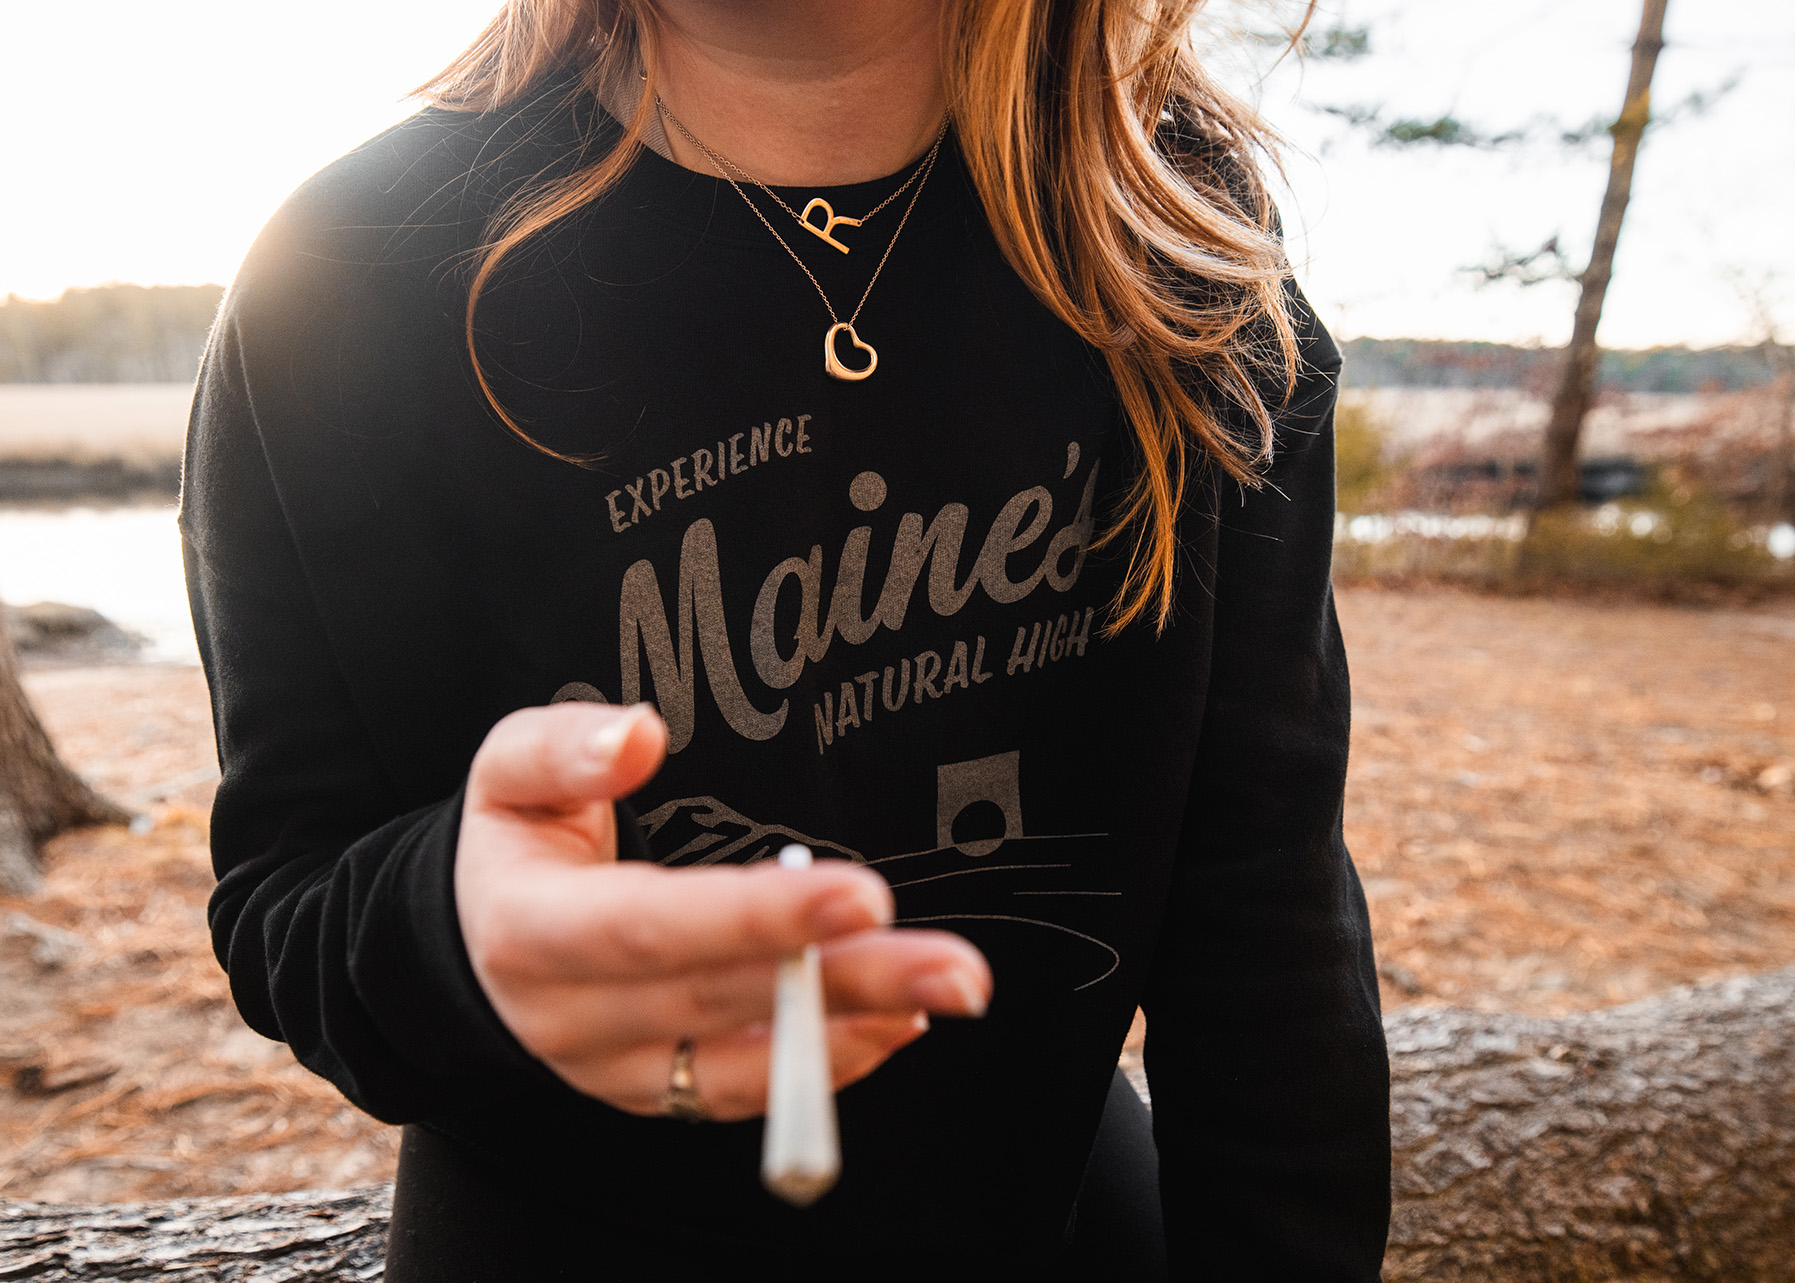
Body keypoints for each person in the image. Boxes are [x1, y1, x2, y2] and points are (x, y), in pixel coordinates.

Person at [181, 0, 1391, 1278]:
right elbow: (287, 896)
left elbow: (1266, 912)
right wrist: (456, 924)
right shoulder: (344, 271)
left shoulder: (1174, 228)